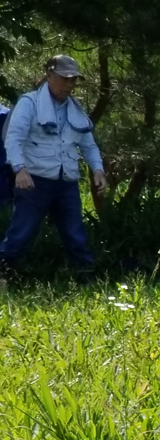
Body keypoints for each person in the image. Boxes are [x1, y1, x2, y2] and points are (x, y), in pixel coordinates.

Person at [0, 55, 107, 279]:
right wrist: (19, 169)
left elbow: (89, 145)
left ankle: (86, 276)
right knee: (22, 232)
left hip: (66, 182)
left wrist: (98, 169)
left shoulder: (76, 110)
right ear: (49, 75)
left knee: (75, 233)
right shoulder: (29, 103)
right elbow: (13, 138)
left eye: (74, 80)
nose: (70, 84)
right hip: (34, 181)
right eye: (65, 78)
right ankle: (4, 271)